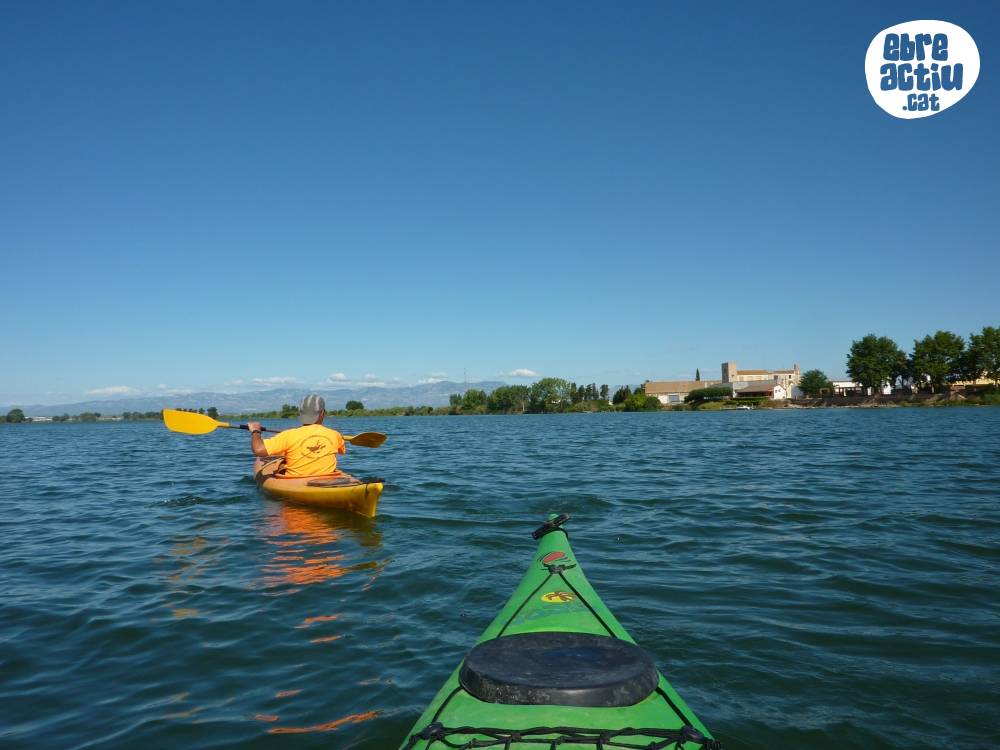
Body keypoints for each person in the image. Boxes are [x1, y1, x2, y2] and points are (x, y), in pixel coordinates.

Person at [247, 394, 346, 477]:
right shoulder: (335, 435)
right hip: (328, 480)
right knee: (284, 462)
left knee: (283, 463)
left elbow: (258, 450)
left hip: (296, 481)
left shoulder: (288, 435)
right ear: (322, 413)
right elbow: (341, 451)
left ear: (300, 413)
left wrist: (256, 431)